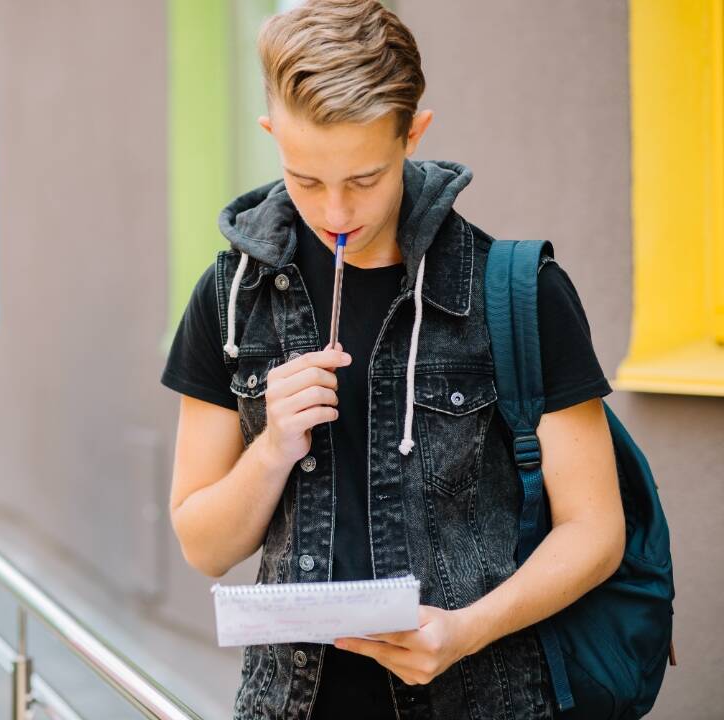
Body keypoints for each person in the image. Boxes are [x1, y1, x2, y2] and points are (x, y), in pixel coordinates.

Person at [160, 2, 624, 718]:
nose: (336, 211)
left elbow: (596, 531)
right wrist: (273, 449)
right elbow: (203, 546)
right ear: (271, 135)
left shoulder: (516, 291)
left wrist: (467, 631)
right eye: (305, 179)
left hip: (482, 698)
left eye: (366, 179)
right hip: (289, 703)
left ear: (415, 132)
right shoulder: (230, 299)